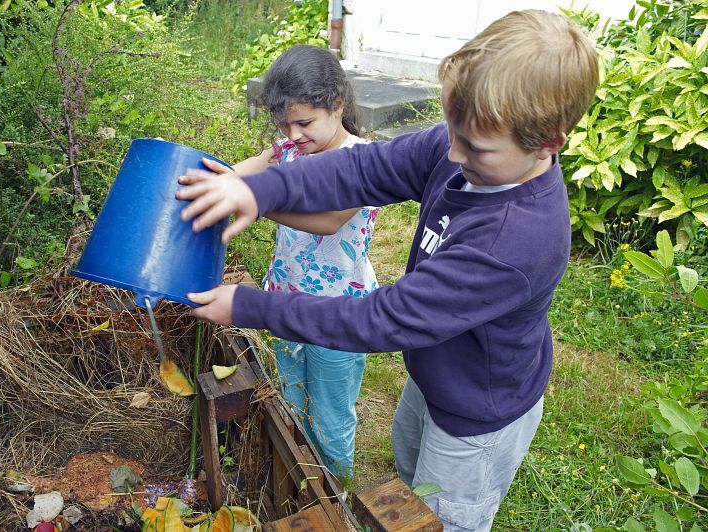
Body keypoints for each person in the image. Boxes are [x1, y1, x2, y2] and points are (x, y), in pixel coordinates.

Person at [177, 10, 599, 531]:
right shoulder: (466, 147)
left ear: (548, 143)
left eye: (475, 147)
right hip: (437, 372)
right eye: (451, 129)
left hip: (477, 413)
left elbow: (382, 320)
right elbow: (364, 168)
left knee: (444, 517)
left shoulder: (513, 240)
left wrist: (248, 305)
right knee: (411, 480)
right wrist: (257, 188)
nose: (450, 152)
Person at [197, 44, 379, 481]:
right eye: (285, 124)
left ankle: (334, 495)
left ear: (337, 104)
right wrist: (209, 183)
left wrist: (255, 204)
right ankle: (294, 481)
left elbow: (329, 222)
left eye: (304, 122)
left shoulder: (365, 161)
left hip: (340, 312)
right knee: (289, 400)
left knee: (331, 417)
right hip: (284, 297)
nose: (294, 133)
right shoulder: (288, 148)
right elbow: (240, 172)